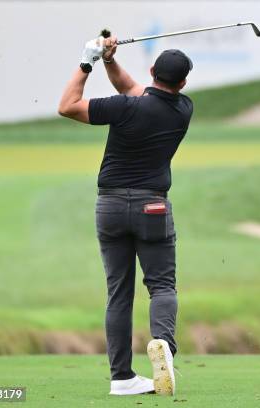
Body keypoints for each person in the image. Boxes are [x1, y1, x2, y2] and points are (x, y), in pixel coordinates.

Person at [58, 34, 193, 396]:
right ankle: (162, 342)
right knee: (162, 286)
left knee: (118, 293)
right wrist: (109, 60)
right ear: (182, 83)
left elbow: (67, 106)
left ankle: (121, 378)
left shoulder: (124, 107)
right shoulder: (183, 109)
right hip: (153, 206)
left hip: (111, 206)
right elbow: (134, 88)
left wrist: (87, 61)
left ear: (152, 71)